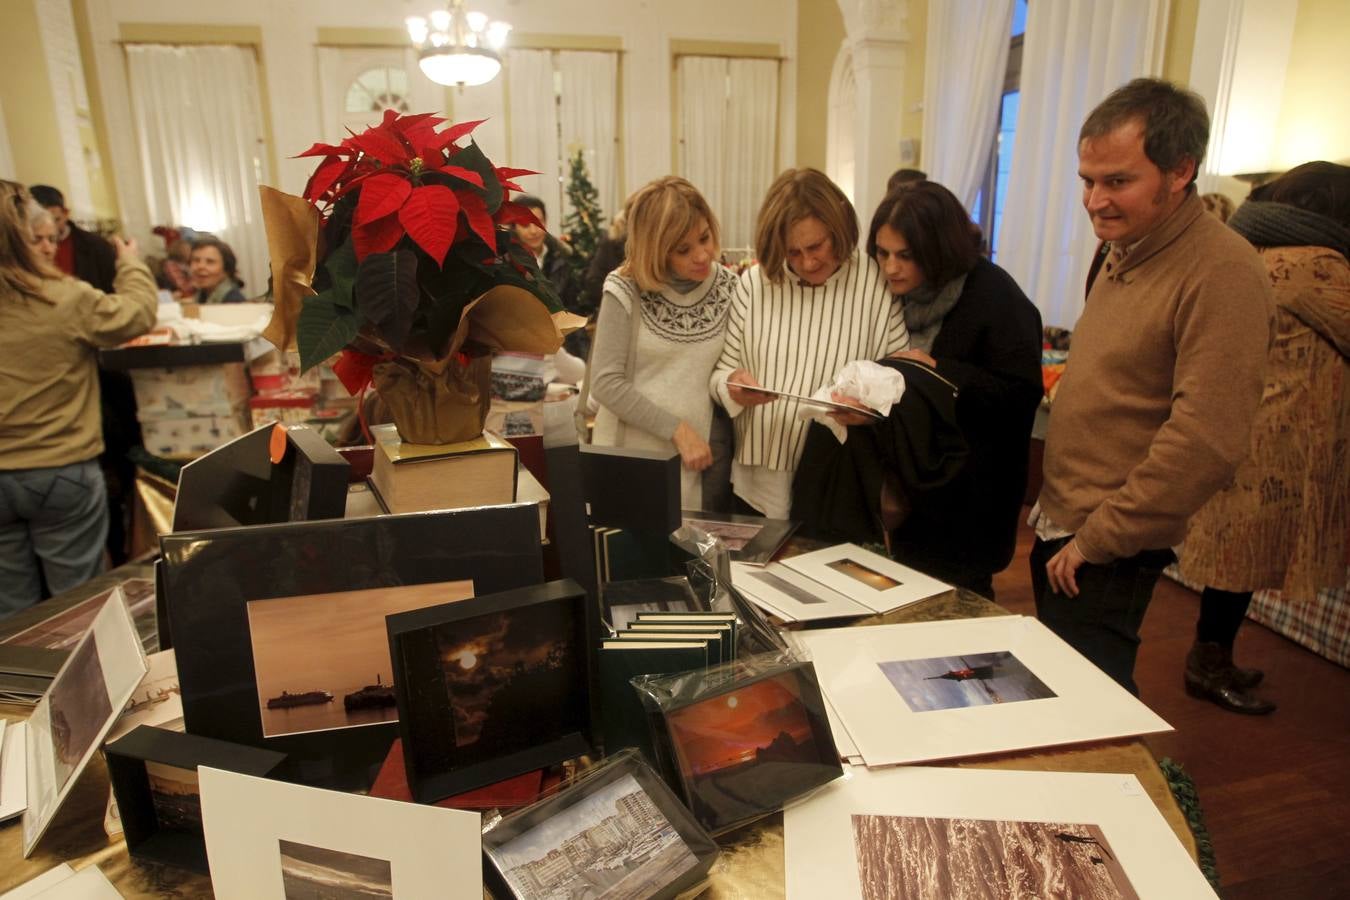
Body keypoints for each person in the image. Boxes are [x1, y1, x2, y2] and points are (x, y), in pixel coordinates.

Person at [1029, 78, 1273, 694]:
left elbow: (1206, 439)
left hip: (1106, 546)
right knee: (1063, 700)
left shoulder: (1224, 270)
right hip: (1065, 527)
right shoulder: (1123, 248)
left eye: (1117, 181)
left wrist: (1097, 540)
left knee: (1093, 714)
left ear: (1180, 170)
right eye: (1087, 180)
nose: (1094, 200)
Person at [1177, 161, 1350, 714]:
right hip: (1277, 446)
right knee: (1240, 561)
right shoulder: (1318, 266)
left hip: (1246, 431)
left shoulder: (1251, 251)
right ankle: (1207, 665)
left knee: (1237, 560)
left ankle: (1213, 659)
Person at [865, 181, 1043, 596]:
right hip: (918, 493)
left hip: (971, 499)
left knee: (961, 617)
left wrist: (940, 371)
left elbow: (1021, 395)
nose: (890, 267)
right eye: (883, 253)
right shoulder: (893, 296)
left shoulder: (996, 297)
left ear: (939, 249)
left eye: (905, 256)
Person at [711, 168, 909, 519]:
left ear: (839, 228)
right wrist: (733, 386)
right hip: (758, 477)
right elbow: (721, 373)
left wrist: (866, 408)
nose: (808, 262)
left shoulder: (874, 279)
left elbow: (897, 375)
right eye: (793, 252)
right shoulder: (755, 283)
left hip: (836, 478)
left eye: (816, 246)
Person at [0, 181, 157, 616]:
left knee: (12, 610)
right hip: (60, 467)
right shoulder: (62, 298)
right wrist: (129, 264)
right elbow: (137, 313)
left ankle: (18, 683)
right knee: (78, 607)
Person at [589, 177, 738, 509]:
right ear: (654, 249)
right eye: (682, 249)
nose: (702, 255)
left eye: (705, 237)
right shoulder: (625, 288)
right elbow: (605, 382)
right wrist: (677, 430)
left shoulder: (729, 285)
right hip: (632, 457)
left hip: (698, 461)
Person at [513, 195, 584, 357]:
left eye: (539, 222)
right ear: (514, 226)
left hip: (562, 352)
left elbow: (573, 313)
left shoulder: (562, 261)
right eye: (525, 224)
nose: (534, 230)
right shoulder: (507, 264)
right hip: (522, 354)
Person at [28, 184, 117, 293]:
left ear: (65, 213)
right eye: (40, 223)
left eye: (55, 220)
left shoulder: (96, 245)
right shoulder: (21, 247)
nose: (51, 228)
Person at [189, 236, 246, 303]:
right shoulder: (201, 295)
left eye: (210, 261)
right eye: (196, 260)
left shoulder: (234, 301)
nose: (201, 266)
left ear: (226, 270)